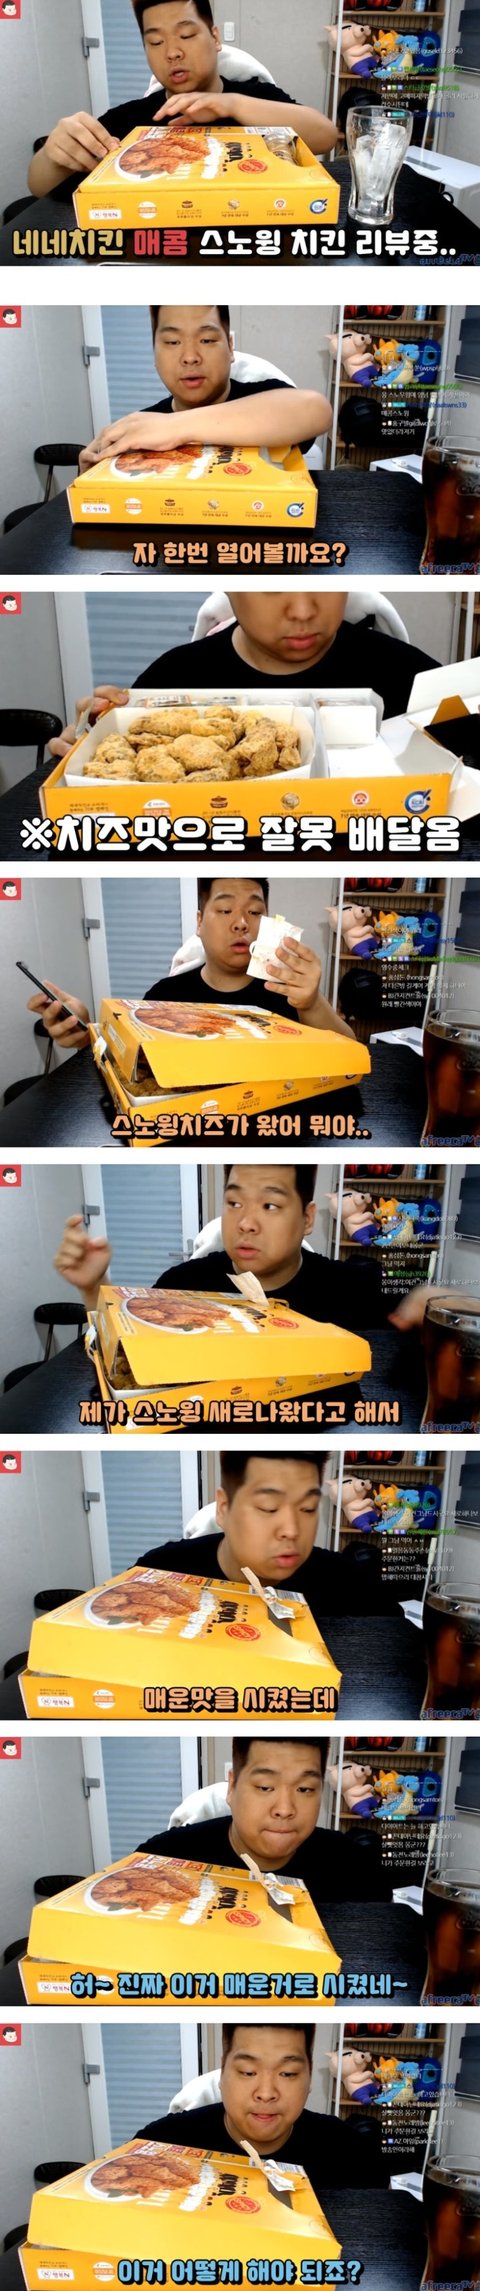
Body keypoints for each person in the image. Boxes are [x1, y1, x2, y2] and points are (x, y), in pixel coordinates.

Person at [53, 1162, 444, 1418]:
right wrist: (94, 1288)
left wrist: (430, 1302)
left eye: (270, 1206)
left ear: (307, 1218)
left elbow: (425, 1300)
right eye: (234, 1202)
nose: (245, 1223)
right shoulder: (183, 1285)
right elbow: (125, 1362)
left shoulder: (353, 1285)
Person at [49, 593, 438, 762]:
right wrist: (90, 740)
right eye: (270, 586)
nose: (303, 611)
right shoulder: (176, 676)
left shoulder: (404, 672)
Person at [28, 0, 338, 200]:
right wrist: (53, 155)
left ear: (215, 38)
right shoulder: (130, 120)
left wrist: (231, 103)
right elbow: (39, 187)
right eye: (155, 42)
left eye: (186, 36)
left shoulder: (256, 97)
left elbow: (325, 136)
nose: (172, 52)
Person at [25, 876, 354, 1054]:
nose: (241, 922)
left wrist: (312, 1003)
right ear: (199, 922)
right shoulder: (165, 996)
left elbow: (350, 1056)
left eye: (255, 912)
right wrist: (86, 1034)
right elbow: (129, 1059)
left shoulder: (289, 993)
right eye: (224, 910)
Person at [134, 1734, 409, 1899]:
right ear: (232, 1787)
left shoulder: (357, 1870)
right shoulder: (161, 1861)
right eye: (265, 1787)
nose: (285, 1809)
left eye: (304, 1788)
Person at [76, 305, 330, 475]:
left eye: (207, 340)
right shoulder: (144, 427)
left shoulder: (266, 398)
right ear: (154, 354)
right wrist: (93, 476)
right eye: (172, 342)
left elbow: (315, 409)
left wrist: (174, 427)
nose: (190, 357)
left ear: (230, 347)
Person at [135, 2021, 391, 2188]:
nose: (266, 2093)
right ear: (222, 2074)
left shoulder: (352, 2154)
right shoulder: (159, 2146)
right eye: (248, 2072)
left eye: (288, 2073)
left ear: (309, 2078)